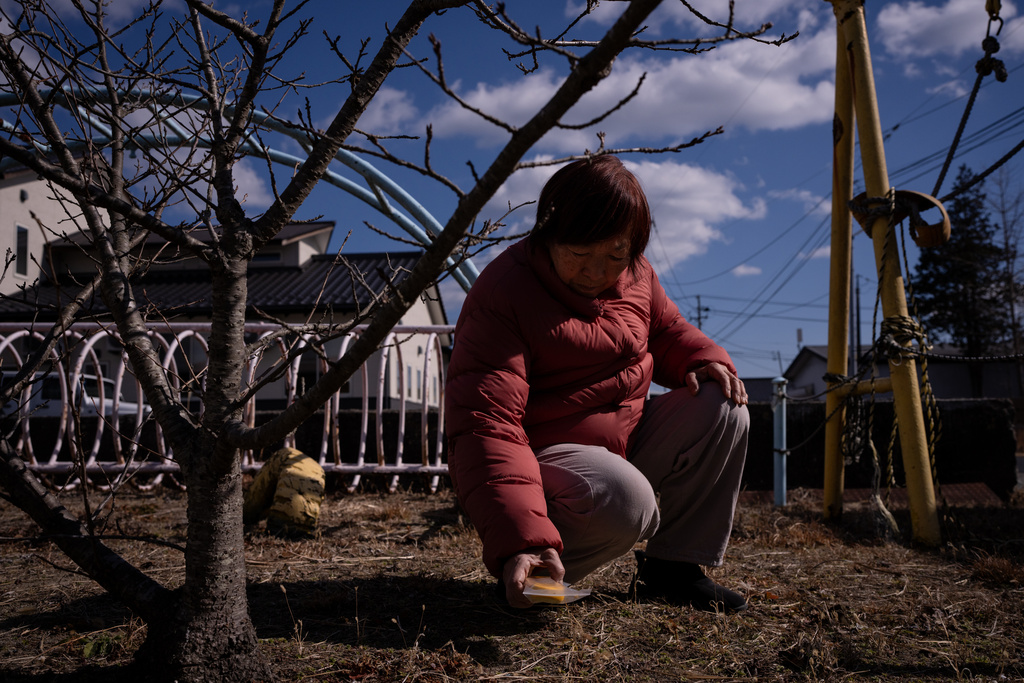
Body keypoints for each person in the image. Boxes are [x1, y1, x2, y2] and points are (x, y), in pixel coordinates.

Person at [445, 155, 750, 612]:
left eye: (614, 255)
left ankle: (675, 568)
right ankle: (536, 571)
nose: (597, 272)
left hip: (622, 441)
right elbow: (487, 425)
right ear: (549, 234)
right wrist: (518, 540)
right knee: (627, 497)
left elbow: (666, 333)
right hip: (547, 462)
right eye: (580, 253)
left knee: (723, 404)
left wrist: (704, 358)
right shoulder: (504, 294)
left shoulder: (637, 273)